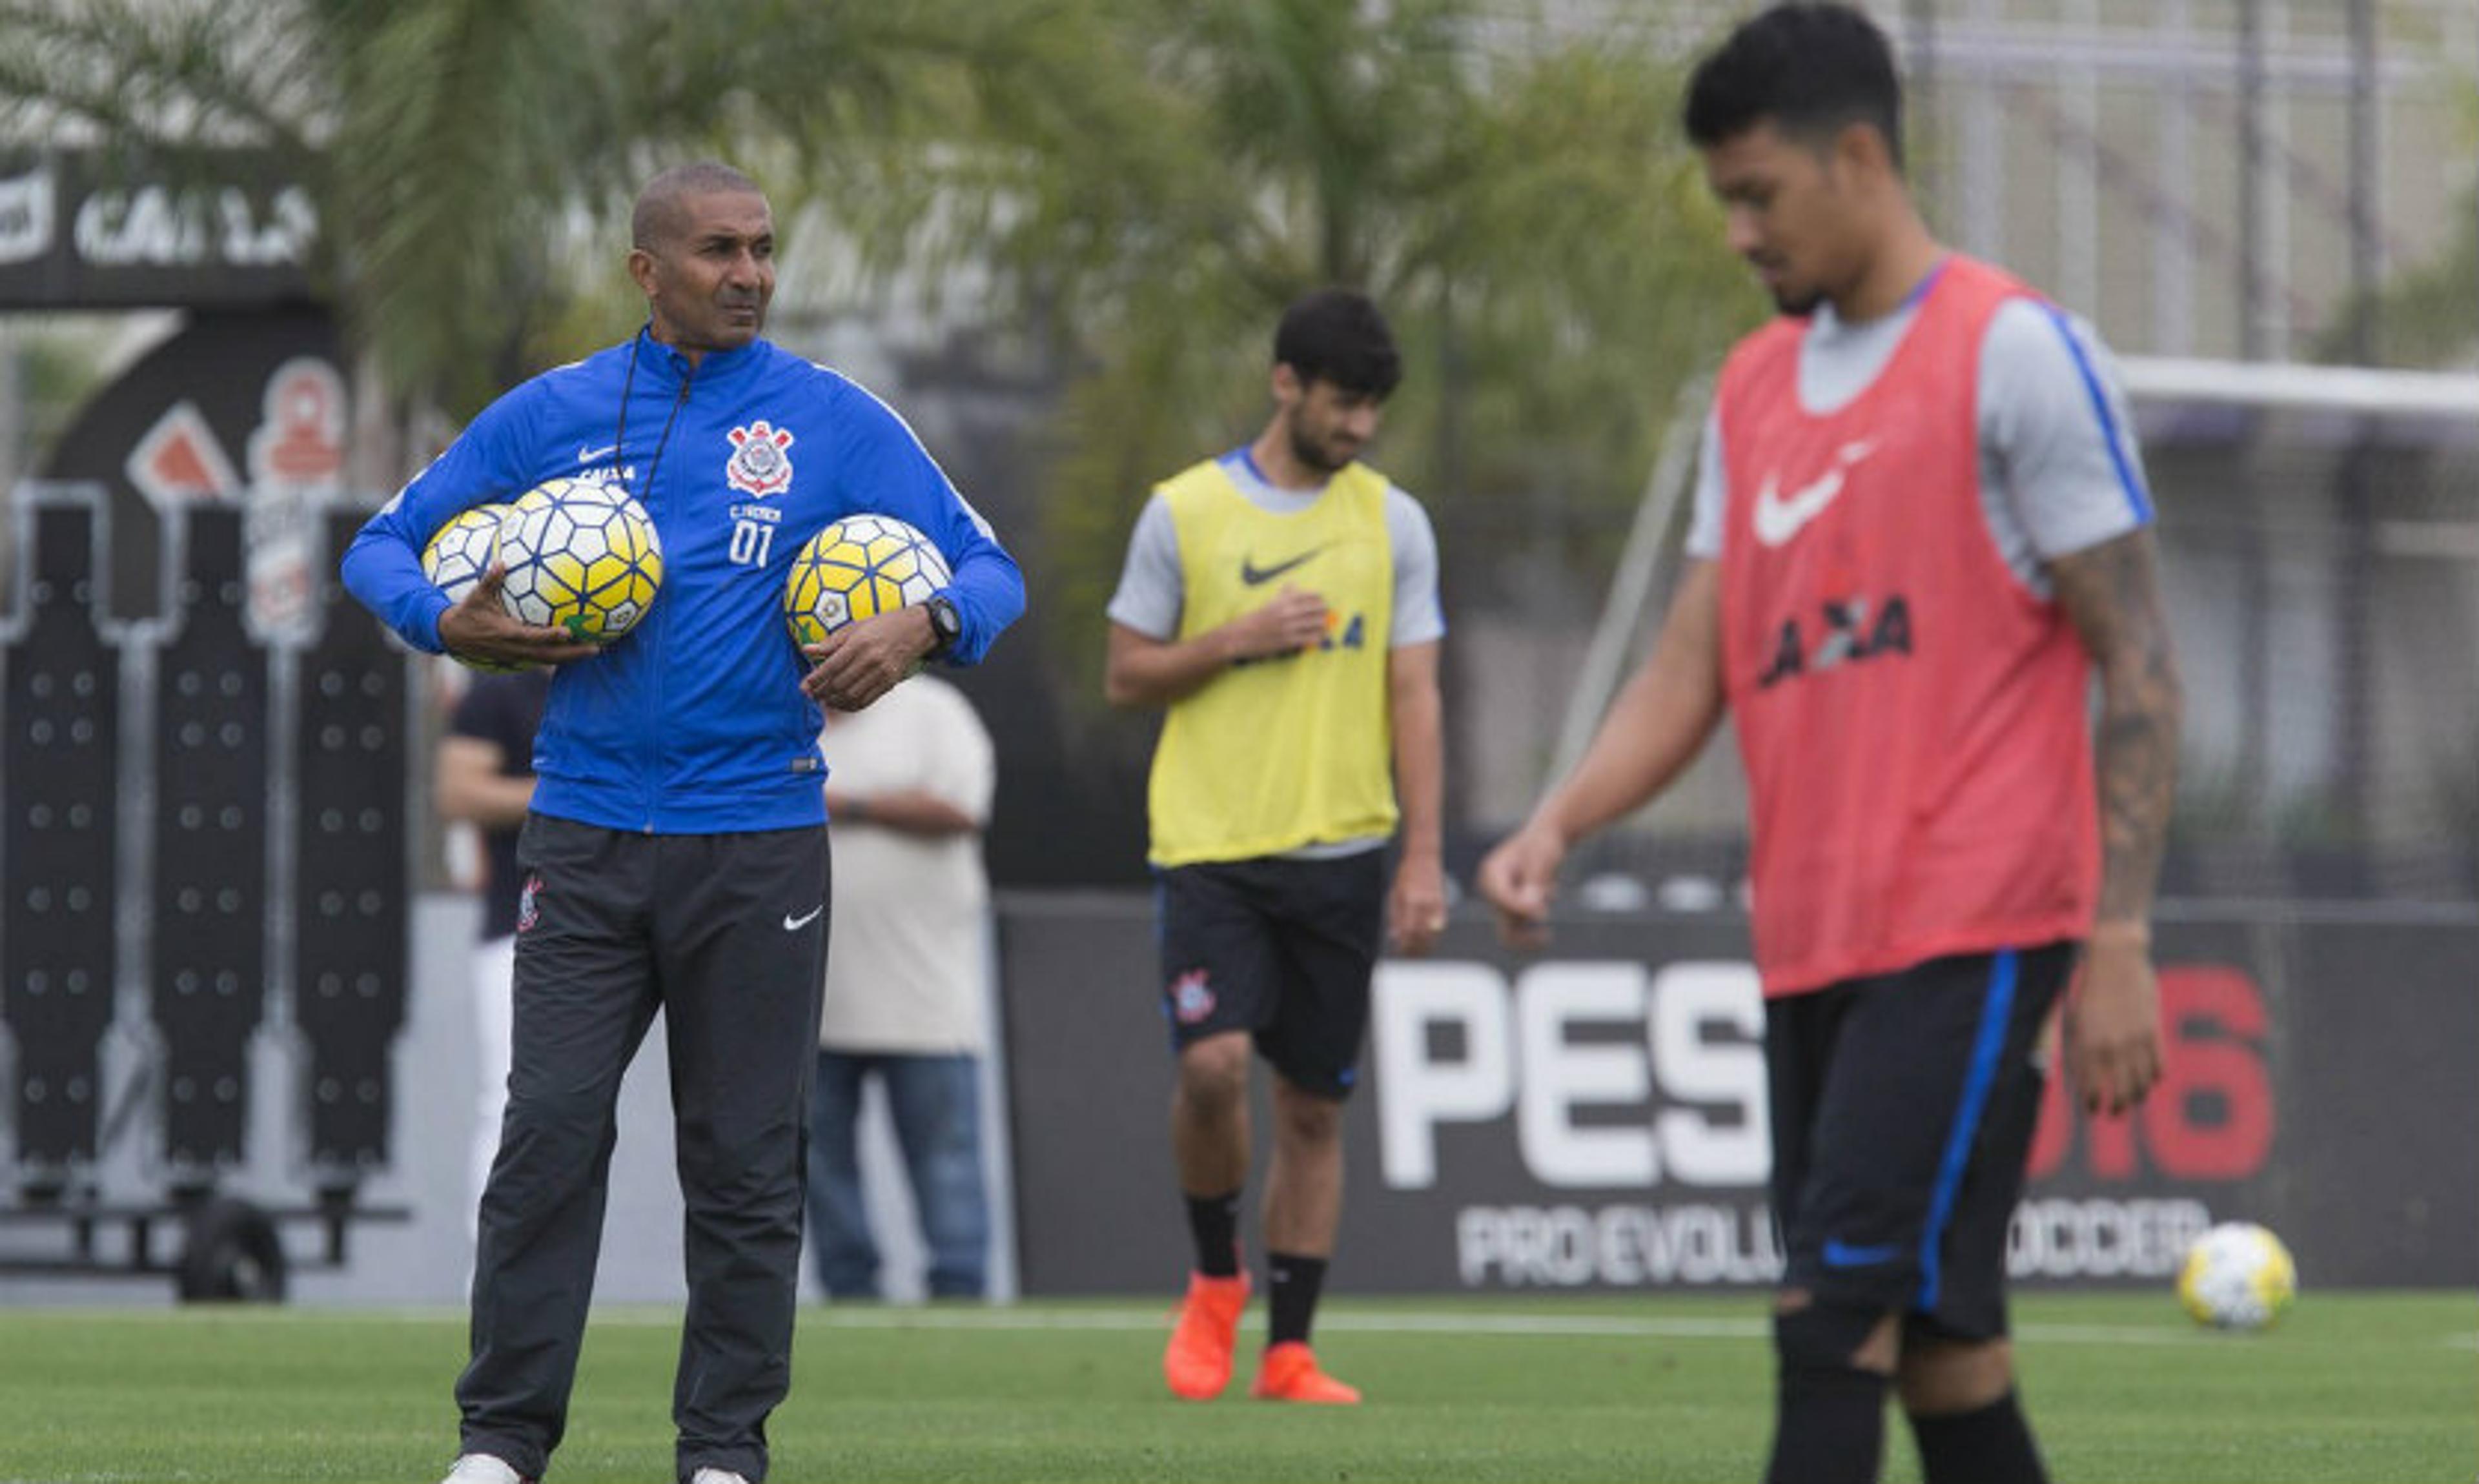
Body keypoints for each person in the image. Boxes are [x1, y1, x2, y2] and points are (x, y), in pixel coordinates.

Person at [1476, 8, 2182, 1483]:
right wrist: (1560, 821)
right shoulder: (1749, 393)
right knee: (1942, 1350)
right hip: (1811, 937)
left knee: (1826, 1320)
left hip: (1977, 921)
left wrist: (2114, 934)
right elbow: (1691, 663)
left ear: (1855, 157)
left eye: (1756, 194)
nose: (1738, 231)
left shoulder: (2015, 354)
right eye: (1723, 199)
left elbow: (2139, 662)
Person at [342, 159, 1025, 1484]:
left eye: (763, 248)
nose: (751, 274)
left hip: (760, 839)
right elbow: (383, 540)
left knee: (748, 1164)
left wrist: (925, 622)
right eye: (719, 251)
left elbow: (989, 566)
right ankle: (499, 1447)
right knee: (546, 1134)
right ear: (647, 272)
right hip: (586, 841)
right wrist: (446, 619)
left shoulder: (833, 419)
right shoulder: (554, 414)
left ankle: (721, 1455)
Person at [1103, 287, 1447, 1406]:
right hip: (1211, 845)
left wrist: (1424, 856)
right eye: (1345, 404)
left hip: (1344, 851)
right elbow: (1126, 673)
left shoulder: (1393, 522)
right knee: (1211, 1068)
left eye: (1374, 411)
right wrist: (1238, 638)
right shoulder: (1185, 512)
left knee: (1313, 1105)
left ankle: (1290, 1349)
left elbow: (1416, 693)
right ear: (1286, 383)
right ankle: (1214, 1278)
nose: (1360, 429)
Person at [806, 673, 997, 1301]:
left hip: (924, 995)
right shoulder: (779, 709)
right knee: (819, 1159)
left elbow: (961, 808)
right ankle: (848, 1290)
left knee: (945, 1156)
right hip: (807, 994)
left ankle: (960, 1287)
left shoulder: (933, 710)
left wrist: (844, 803)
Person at [433, 666, 552, 1231]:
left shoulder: (634, 679)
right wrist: (577, 788)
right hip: (519, 926)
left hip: (641, 922)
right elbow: (457, 790)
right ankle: (490, 1282)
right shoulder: (501, 691)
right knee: (510, 1103)